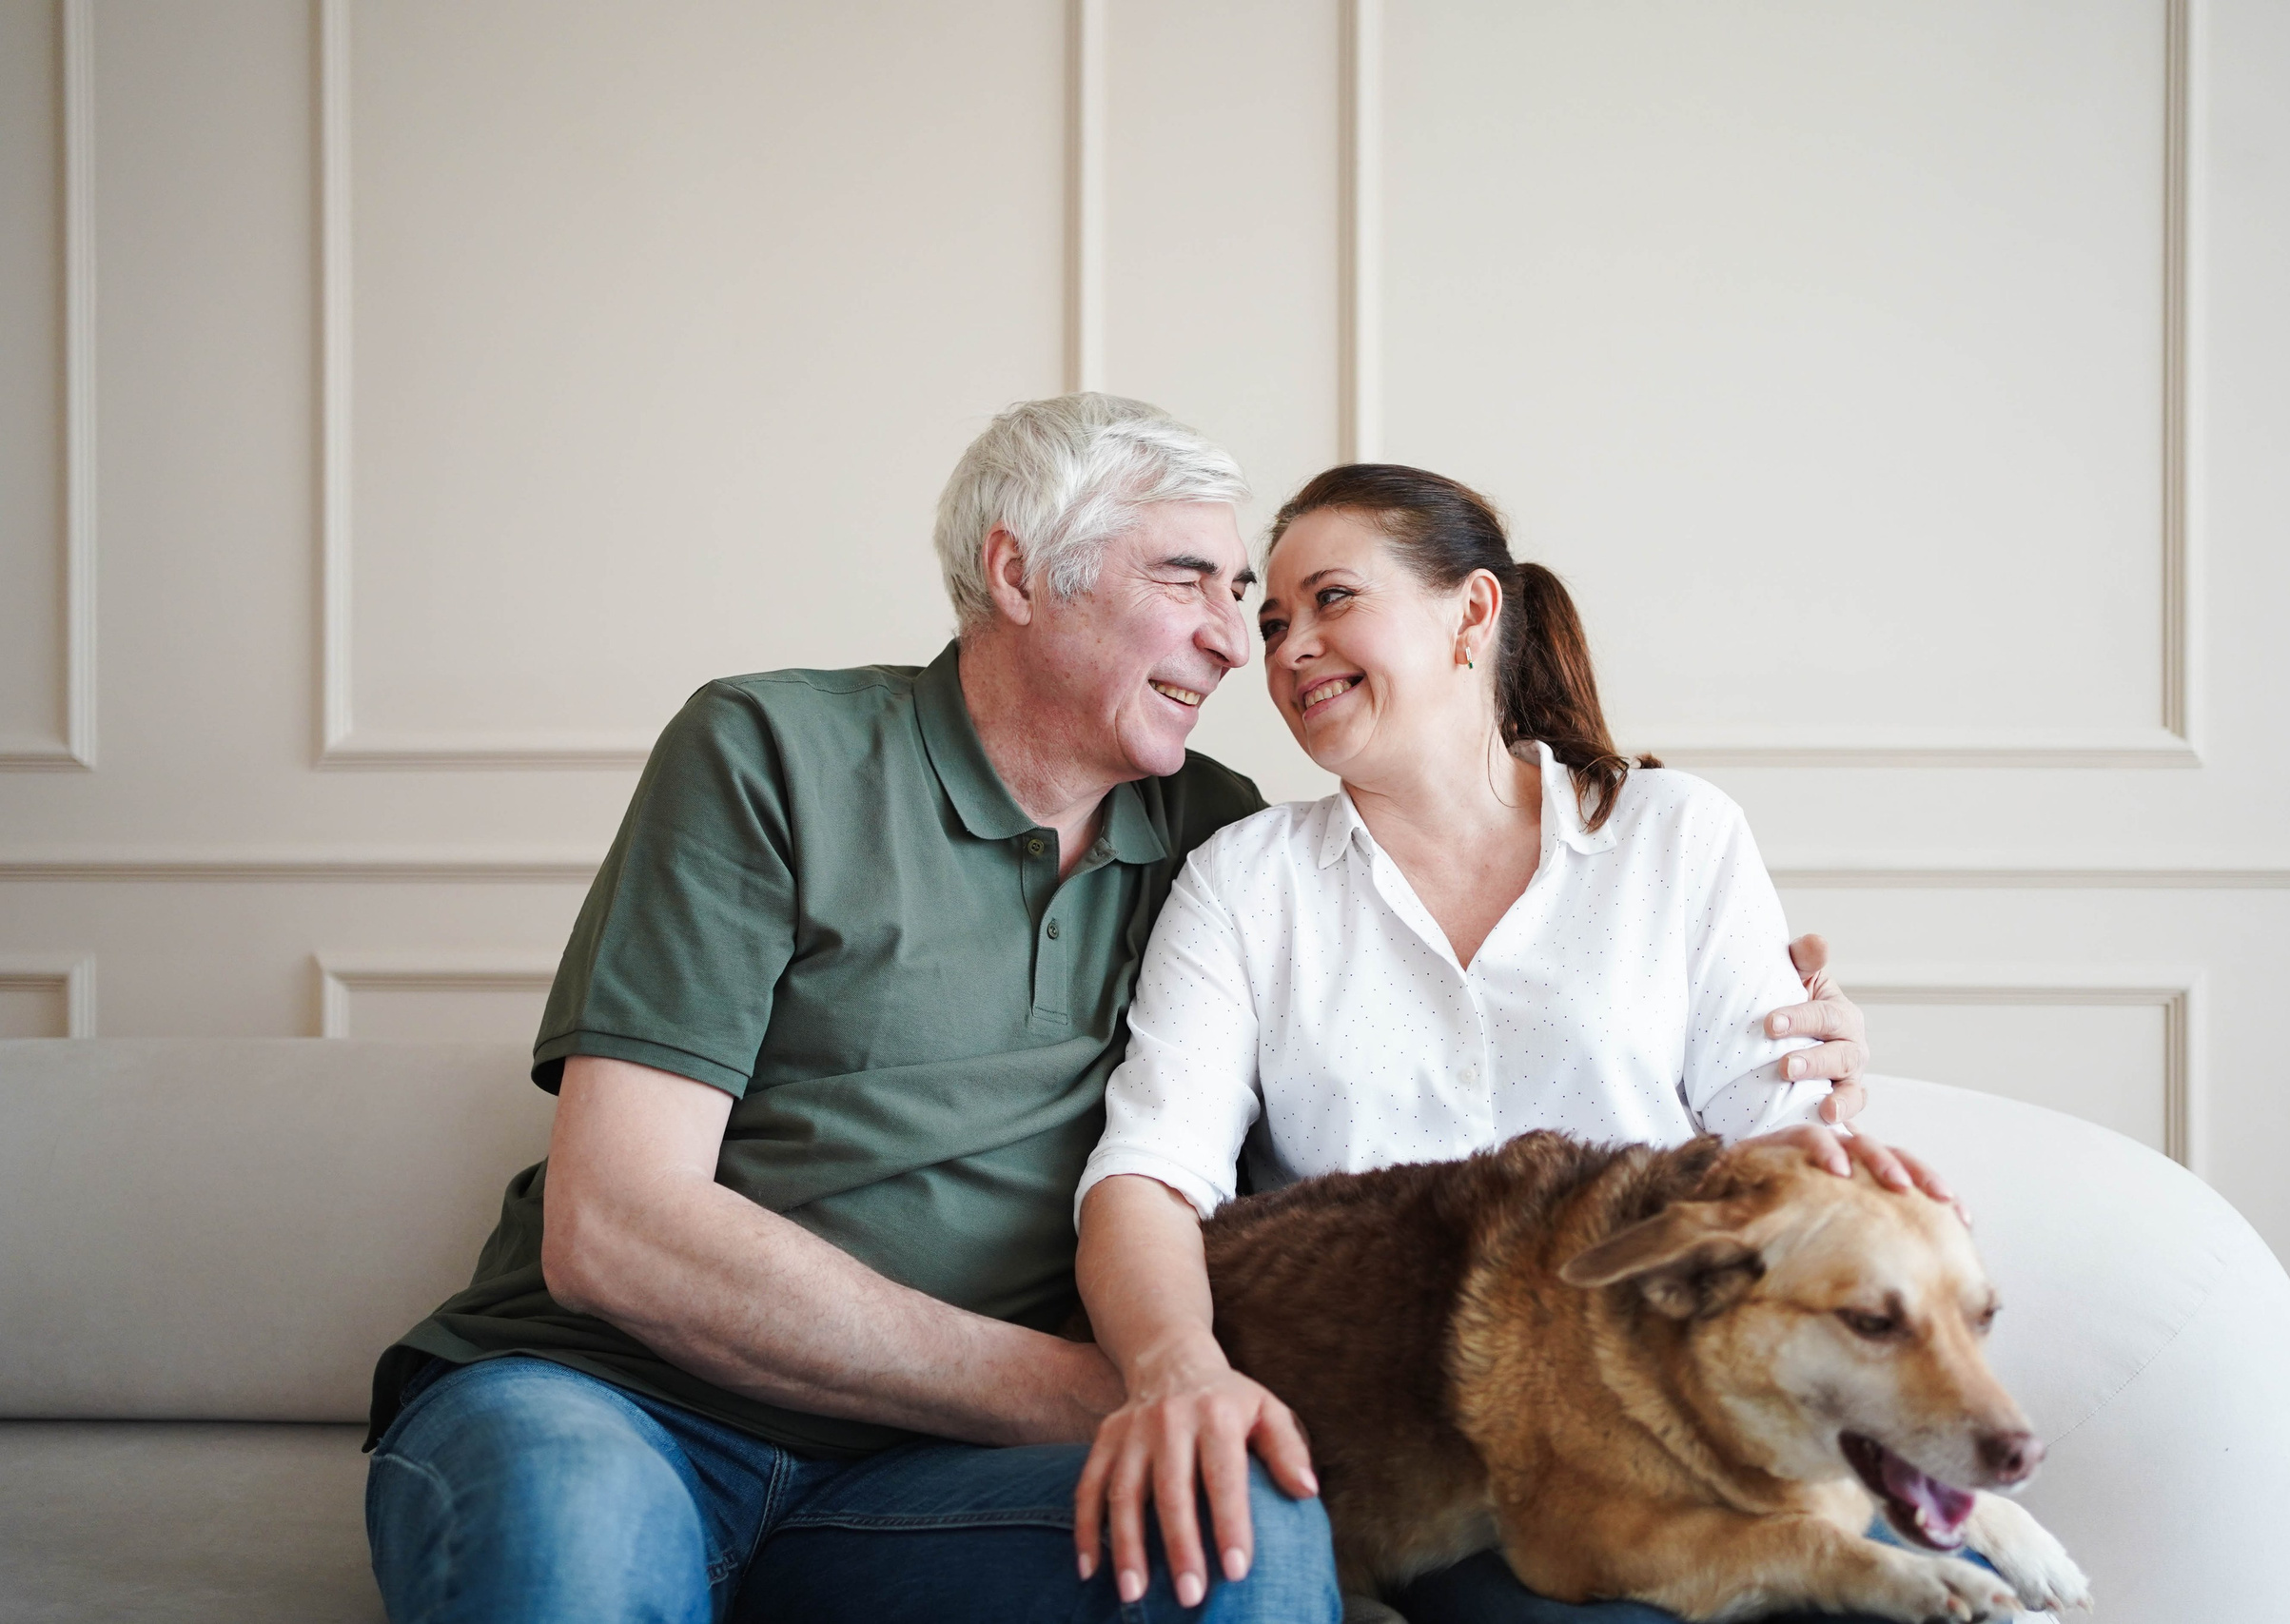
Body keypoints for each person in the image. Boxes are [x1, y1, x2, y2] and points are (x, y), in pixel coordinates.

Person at [361, 398, 1882, 1624]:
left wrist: (1795, 1055)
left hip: (933, 1479)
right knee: (573, 1532)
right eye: (1194, 583)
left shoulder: (1213, 837)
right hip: (619, 1406)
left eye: (1256, 599)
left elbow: (1411, 1098)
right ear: (1021, 574)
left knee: (1248, 1525)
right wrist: (1131, 1381)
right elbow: (616, 1228)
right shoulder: (772, 749)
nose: (1240, 640)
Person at [1070, 464, 1958, 1624]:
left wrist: (1831, 1156)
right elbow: (1149, 1174)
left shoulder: (1675, 836)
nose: (1287, 649)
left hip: (1668, 1416)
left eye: (1333, 599)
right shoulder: (1244, 883)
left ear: (1473, 613)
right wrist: (1177, 1372)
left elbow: (1775, 1140)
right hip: (1416, 1451)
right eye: (1273, 621)